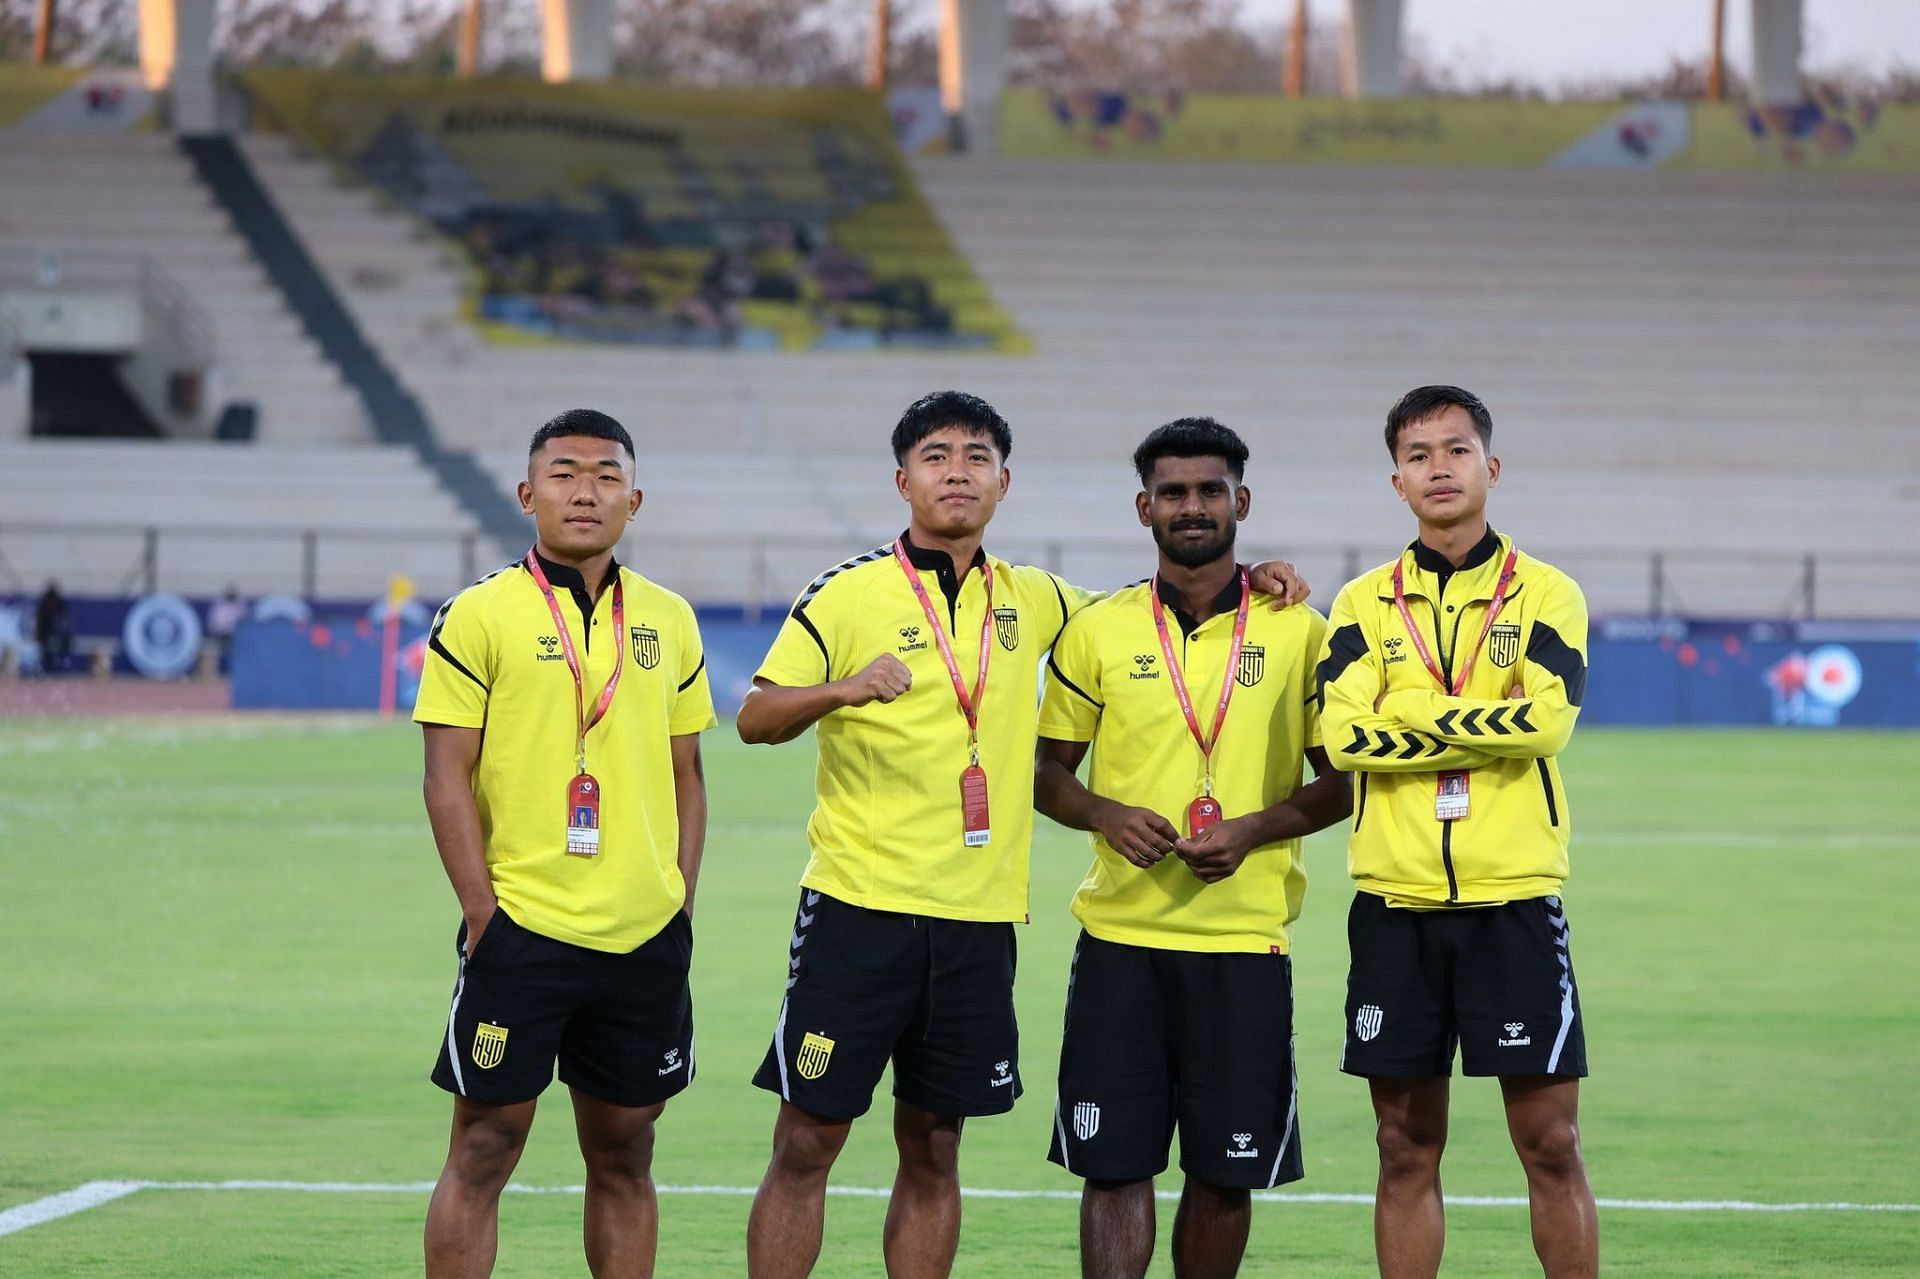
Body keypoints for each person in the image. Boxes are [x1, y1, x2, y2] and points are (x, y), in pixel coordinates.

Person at [737, 391, 1310, 1278]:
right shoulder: (849, 590)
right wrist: (841, 690)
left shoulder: (1042, 600)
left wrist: (1259, 574)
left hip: (977, 920)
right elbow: (756, 716)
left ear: (1004, 482)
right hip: (859, 909)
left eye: (976, 456)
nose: (957, 471)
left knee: (934, 1148)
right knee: (807, 1141)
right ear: (903, 479)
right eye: (937, 456)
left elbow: (1159, 606)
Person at [1035, 417, 1352, 1279]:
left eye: (1210, 489)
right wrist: (1103, 812)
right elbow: (1044, 771)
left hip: (1243, 943)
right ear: (1144, 508)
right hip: (1120, 944)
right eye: (1173, 492)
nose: (1193, 506)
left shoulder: (1299, 629)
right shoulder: (1098, 628)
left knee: (1225, 1170)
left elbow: (1344, 780)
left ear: (1240, 500)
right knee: (1113, 1166)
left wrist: (1253, 830)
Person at [412, 408, 715, 1278]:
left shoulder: (671, 620)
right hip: (522, 927)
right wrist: (482, 912)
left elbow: (688, 775)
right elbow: (444, 777)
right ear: (526, 493)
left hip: (642, 935)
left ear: (636, 498)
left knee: (626, 1152)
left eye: (607, 474)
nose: (586, 490)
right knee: (484, 1146)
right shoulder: (477, 615)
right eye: (565, 472)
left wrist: (679, 904)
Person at [1316, 386, 1597, 1279]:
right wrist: (1477, 715)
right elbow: (1340, 737)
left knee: (1550, 1142)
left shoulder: (1548, 594)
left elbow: (1547, 724)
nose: (1439, 467)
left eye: (1456, 449)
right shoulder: (1362, 603)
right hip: (1394, 905)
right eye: (1419, 454)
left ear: (1491, 467)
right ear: (1395, 480)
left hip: (1511, 902)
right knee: (1403, 1145)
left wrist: (1415, 709)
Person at [34, 583, 71, 675]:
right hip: (50, 633)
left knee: (50, 653)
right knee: (51, 654)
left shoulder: (48, 603)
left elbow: (65, 619)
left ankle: (50, 669)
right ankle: (53, 669)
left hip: (51, 633)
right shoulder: (56, 603)